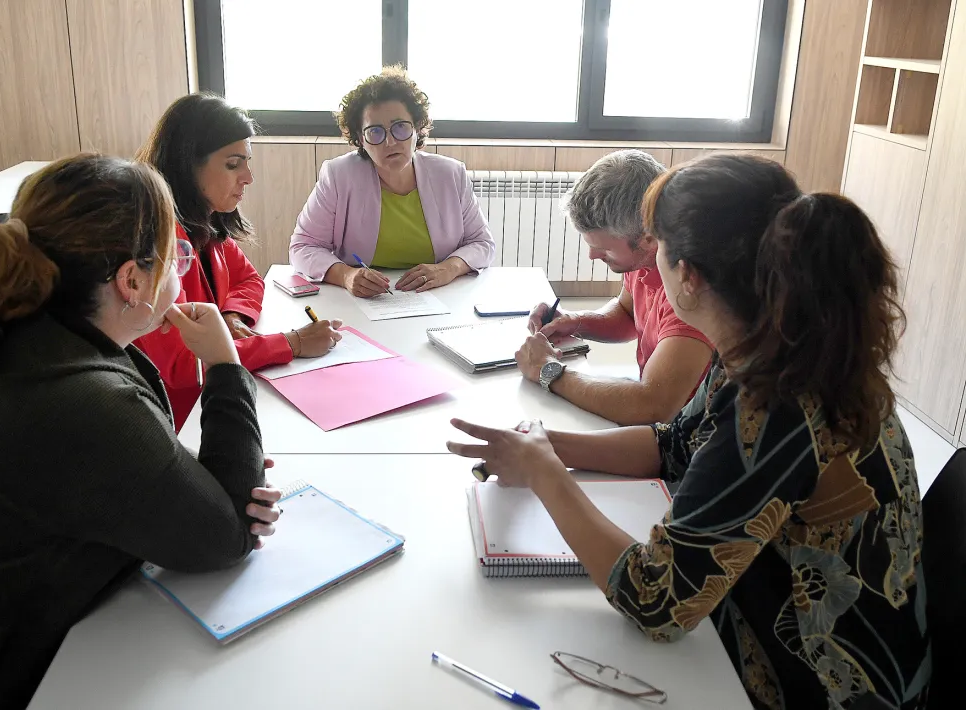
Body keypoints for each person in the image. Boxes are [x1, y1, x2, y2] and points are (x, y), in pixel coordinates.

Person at [448, 154, 929, 709]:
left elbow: (655, 601)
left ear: (690, 276)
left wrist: (547, 476)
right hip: (774, 615)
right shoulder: (768, 344)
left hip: (818, 685)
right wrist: (543, 445)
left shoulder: (776, 406)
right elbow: (671, 446)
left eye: (659, 250)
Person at [0, 155, 283, 708]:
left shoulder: (25, 336)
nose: (182, 269)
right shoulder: (81, 401)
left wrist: (198, 485)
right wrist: (225, 367)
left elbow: (133, 476)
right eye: (176, 254)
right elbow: (226, 538)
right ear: (132, 281)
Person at [135, 93, 343, 431]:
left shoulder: (206, 222)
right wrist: (292, 343)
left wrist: (230, 316)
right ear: (187, 164)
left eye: (246, 162)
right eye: (233, 164)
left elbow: (249, 279)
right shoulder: (158, 241)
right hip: (179, 421)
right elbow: (184, 365)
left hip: (214, 399)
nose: (248, 177)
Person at [517, 150, 712, 425]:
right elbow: (627, 314)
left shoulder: (691, 291)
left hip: (687, 432)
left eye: (604, 249)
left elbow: (652, 407)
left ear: (647, 239)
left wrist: (549, 371)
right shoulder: (645, 258)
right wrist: (574, 322)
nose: (592, 256)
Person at [289, 65, 496, 296]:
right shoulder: (339, 176)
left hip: (440, 298)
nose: (390, 142)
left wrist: (449, 268)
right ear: (361, 139)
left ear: (417, 128)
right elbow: (303, 247)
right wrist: (346, 275)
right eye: (375, 132)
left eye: (400, 128)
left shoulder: (451, 174)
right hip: (363, 302)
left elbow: (482, 243)